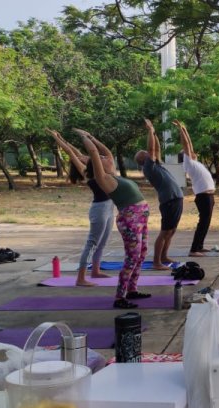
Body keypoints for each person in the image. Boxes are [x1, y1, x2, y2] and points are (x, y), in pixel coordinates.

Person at [75, 129, 151, 309]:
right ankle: (120, 297)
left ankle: (132, 289)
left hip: (140, 218)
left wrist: (93, 136)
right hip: (130, 220)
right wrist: (85, 138)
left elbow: (106, 151)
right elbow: (94, 153)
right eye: (102, 160)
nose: (107, 158)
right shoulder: (103, 179)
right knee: (132, 258)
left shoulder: (114, 175)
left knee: (141, 255)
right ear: (98, 166)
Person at [49, 130, 115, 287]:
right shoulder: (89, 173)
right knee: (92, 242)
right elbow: (72, 154)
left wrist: (63, 138)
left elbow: (103, 152)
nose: (106, 159)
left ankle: (95, 271)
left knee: (103, 242)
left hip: (109, 208)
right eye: (101, 159)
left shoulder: (105, 171)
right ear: (96, 162)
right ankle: (80, 278)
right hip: (99, 210)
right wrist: (57, 139)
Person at [138, 119, 183, 270]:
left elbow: (156, 149)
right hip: (169, 201)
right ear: (143, 159)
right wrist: (150, 130)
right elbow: (152, 149)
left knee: (172, 231)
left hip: (176, 199)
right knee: (165, 232)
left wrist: (154, 132)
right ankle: (157, 262)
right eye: (146, 154)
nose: (150, 154)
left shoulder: (155, 164)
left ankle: (164, 256)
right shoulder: (149, 168)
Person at [172, 120, 216, 257]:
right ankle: (194, 249)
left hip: (208, 196)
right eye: (189, 153)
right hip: (204, 197)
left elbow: (189, 145)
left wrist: (185, 129)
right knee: (203, 223)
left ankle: (199, 246)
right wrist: (180, 130)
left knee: (206, 223)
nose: (192, 152)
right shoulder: (189, 163)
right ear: (186, 156)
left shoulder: (194, 163)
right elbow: (186, 145)